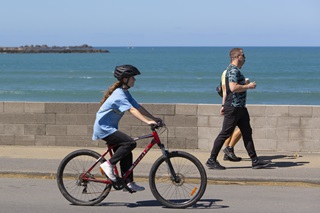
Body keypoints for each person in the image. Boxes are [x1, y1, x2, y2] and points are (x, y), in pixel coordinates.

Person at [92, 64, 162, 191]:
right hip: (104, 128)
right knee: (130, 143)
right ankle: (109, 164)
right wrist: (147, 122)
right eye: (132, 77)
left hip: (109, 128)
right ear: (125, 79)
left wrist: (154, 118)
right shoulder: (119, 95)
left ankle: (128, 182)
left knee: (127, 151)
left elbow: (138, 106)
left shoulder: (125, 92)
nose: (134, 80)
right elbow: (132, 110)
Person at [206, 48, 271, 170]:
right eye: (243, 55)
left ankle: (255, 160)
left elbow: (227, 89)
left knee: (247, 133)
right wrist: (249, 86)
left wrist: (223, 104)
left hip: (239, 108)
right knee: (225, 133)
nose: (245, 58)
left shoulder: (232, 70)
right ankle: (211, 160)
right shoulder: (232, 70)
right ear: (237, 57)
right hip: (234, 108)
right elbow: (233, 87)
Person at [220, 69, 243, 162]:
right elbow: (226, 90)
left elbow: (224, 90)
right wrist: (246, 85)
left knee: (230, 130)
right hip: (233, 105)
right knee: (242, 128)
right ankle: (229, 149)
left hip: (230, 104)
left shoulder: (225, 73)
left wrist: (223, 105)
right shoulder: (229, 73)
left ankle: (227, 153)